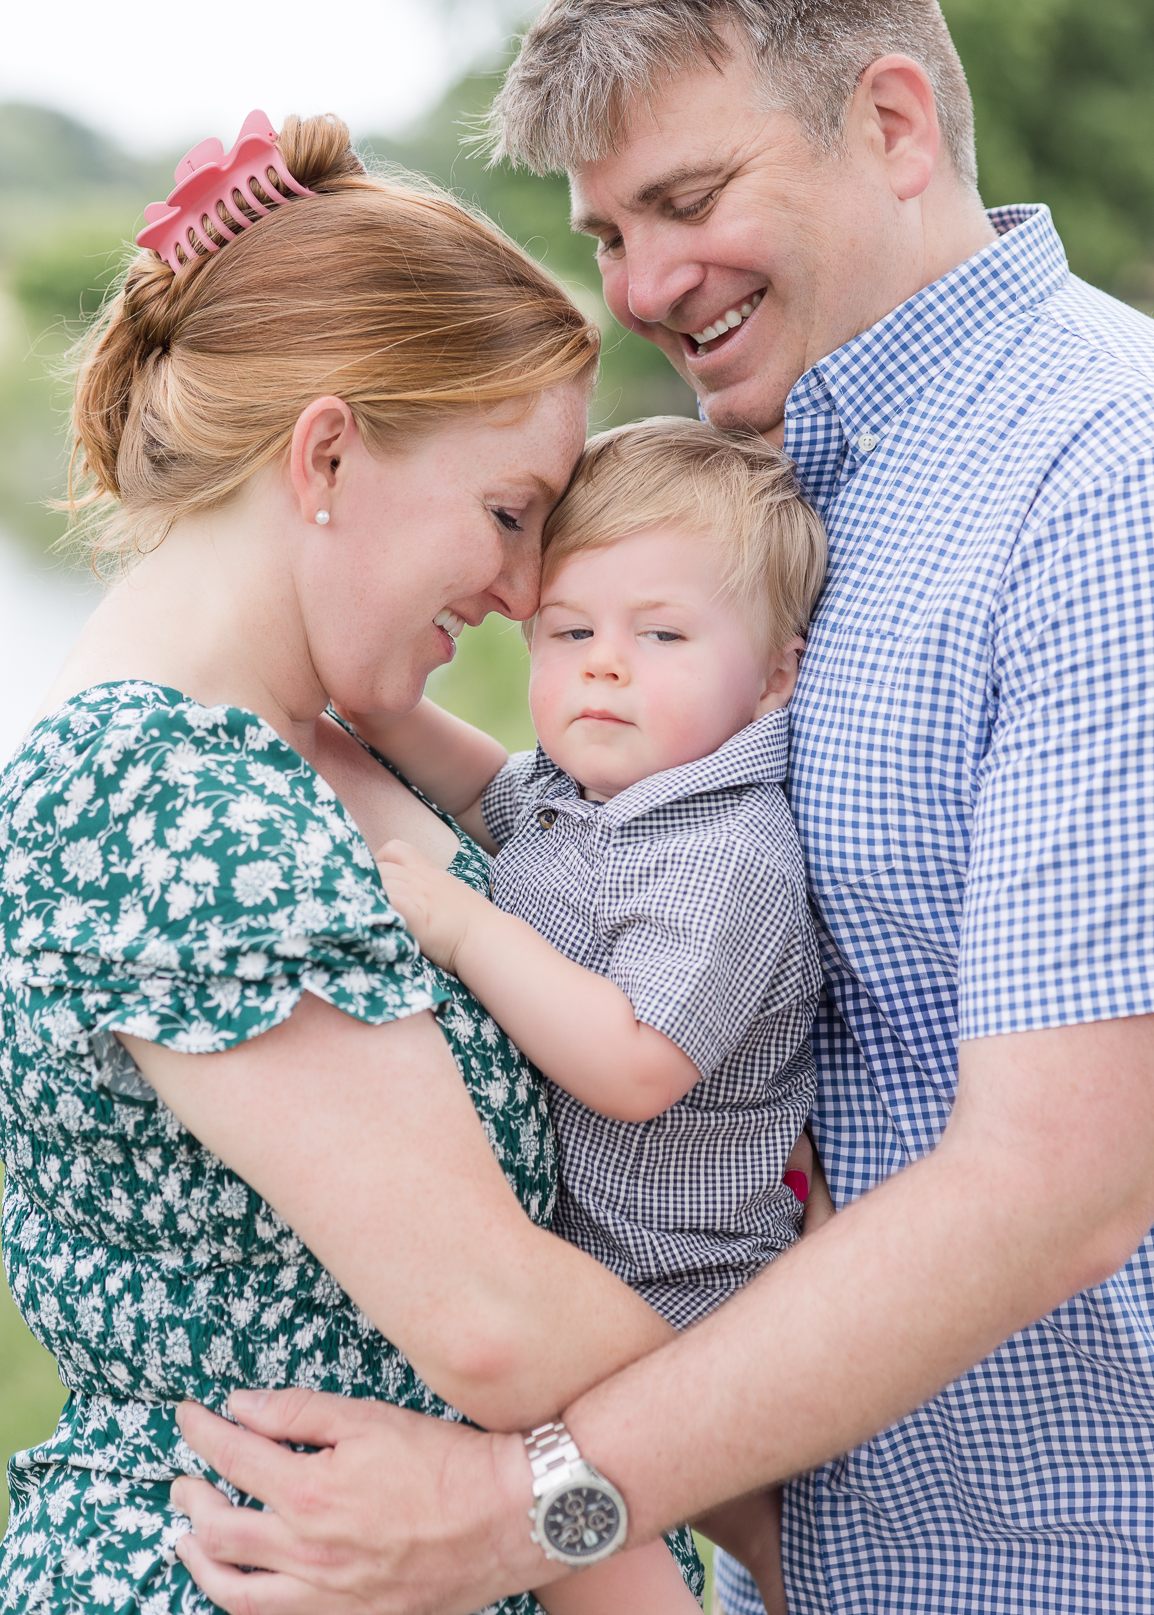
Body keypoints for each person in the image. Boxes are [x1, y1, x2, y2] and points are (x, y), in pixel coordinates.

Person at [168, 0, 1154, 1615]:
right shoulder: (779, 499)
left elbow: (1053, 1189)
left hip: (1112, 1564)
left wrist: (518, 1510)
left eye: (687, 201)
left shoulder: (1133, 490)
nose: (642, 287)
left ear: (893, 120)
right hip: (843, 1560)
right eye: (609, 234)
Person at [0, 112, 719, 1614]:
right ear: (325, 453)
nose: (528, 592)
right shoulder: (161, 801)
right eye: (511, 513)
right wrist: (830, 1446)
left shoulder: (339, 745)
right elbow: (489, 1320)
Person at [369, 417, 827, 1331]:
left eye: (662, 636)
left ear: (774, 677)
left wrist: (468, 931)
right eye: (571, 630)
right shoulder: (578, 788)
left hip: (677, 1293)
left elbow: (635, 1063)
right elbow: (476, 784)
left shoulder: (726, 851)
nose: (605, 664)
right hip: (570, 1264)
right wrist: (378, 707)